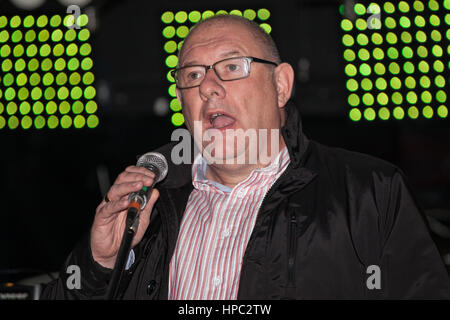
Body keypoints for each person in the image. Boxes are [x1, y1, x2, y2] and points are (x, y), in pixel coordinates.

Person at [41, 14, 450, 300]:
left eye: (232, 67)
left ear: (281, 85)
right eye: (193, 75)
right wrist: (100, 264)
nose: (209, 88)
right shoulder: (149, 208)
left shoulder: (370, 191)